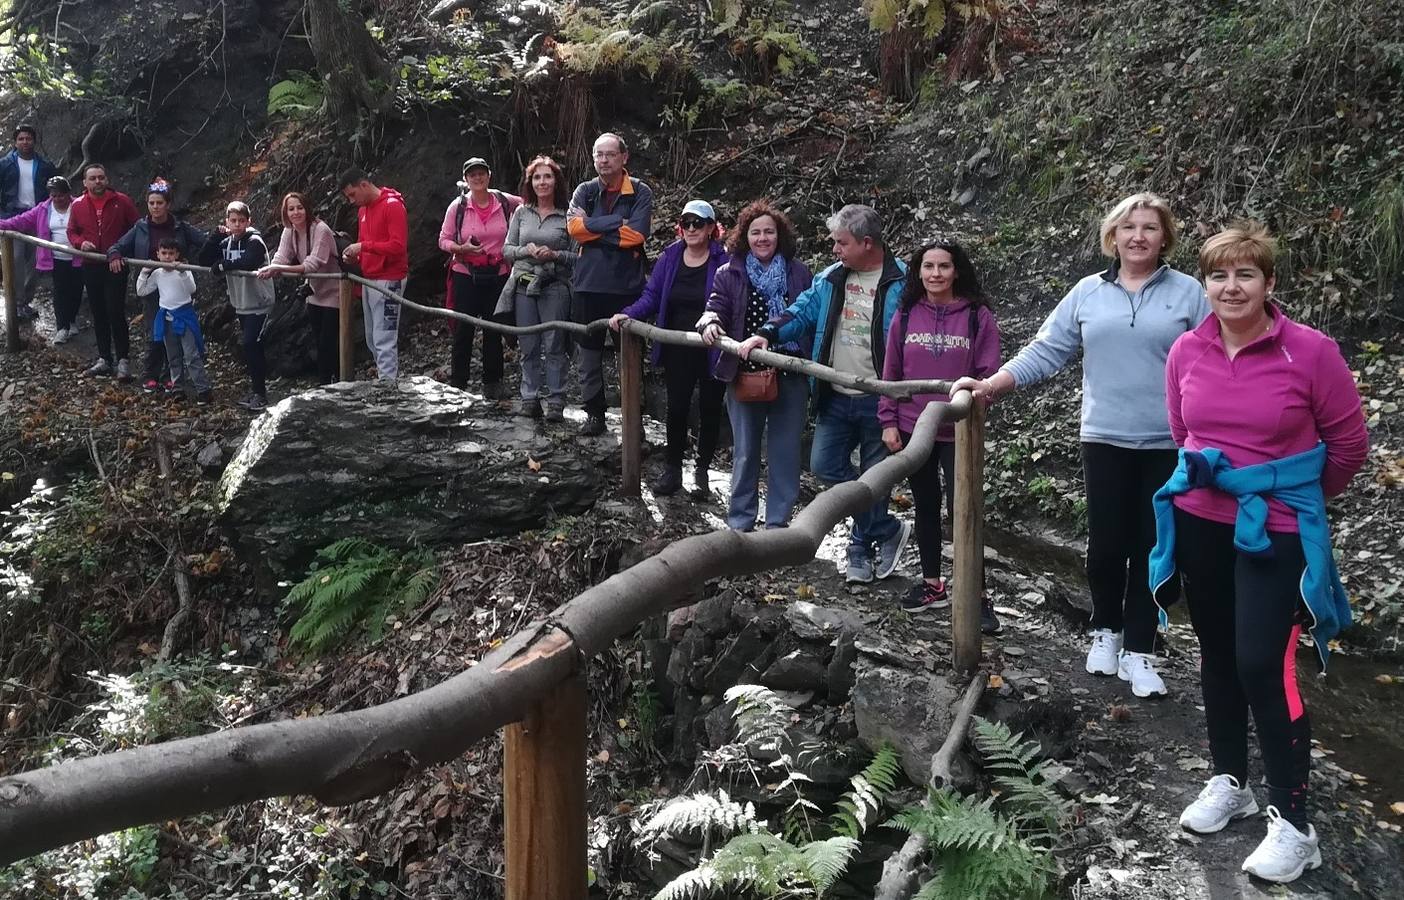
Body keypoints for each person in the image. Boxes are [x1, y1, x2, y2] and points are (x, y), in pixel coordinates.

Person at [1148, 222, 1367, 883]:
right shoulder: (1187, 349)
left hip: (1277, 532)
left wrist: (1283, 494)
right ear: (1205, 284)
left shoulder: (1312, 352)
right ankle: (1230, 782)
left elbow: (1348, 448)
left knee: (1261, 664)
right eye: (1218, 274)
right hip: (1199, 521)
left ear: (1269, 284)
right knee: (1216, 655)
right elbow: (1183, 434)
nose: (1231, 285)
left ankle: (1296, 826)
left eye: (1245, 274)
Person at [953, 192, 1209, 698]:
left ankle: (1141, 649)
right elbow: (1048, 349)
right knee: (1107, 542)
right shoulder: (1088, 292)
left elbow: (1214, 361)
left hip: (1171, 442)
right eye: (1129, 227)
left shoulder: (1190, 294)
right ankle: (1105, 631)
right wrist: (992, 385)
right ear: (1112, 236)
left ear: (1165, 237)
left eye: (1150, 228)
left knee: (1155, 548)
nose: (1139, 236)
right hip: (1105, 437)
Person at [741, 204, 910, 585]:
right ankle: (886, 529)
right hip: (834, 393)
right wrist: (766, 332)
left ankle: (857, 551)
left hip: (880, 398)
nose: (834, 248)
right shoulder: (832, 278)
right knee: (824, 465)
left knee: (873, 478)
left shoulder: (903, 283)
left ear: (867, 243)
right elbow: (801, 313)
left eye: (841, 242)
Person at [878, 239, 1002, 633]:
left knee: (964, 511)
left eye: (943, 266)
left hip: (961, 429)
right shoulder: (906, 312)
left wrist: (976, 402)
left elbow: (988, 371)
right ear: (918, 272)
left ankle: (978, 596)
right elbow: (891, 371)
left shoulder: (977, 316)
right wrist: (889, 419)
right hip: (916, 425)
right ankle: (932, 583)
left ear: (956, 270)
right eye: (928, 267)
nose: (935, 274)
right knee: (925, 505)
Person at [697, 200, 812, 531]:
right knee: (745, 451)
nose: (763, 238)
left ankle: (778, 525)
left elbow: (809, 313)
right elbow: (715, 305)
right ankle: (740, 523)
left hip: (790, 371)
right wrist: (708, 322)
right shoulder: (730, 271)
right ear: (745, 236)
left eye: (769, 232)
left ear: (780, 236)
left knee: (785, 452)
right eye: (756, 232)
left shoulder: (798, 271)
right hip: (744, 372)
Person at [610, 200, 728, 495]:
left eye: (698, 223)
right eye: (686, 223)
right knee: (676, 408)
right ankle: (673, 468)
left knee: (711, 408)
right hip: (678, 346)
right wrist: (630, 313)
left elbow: (730, 300)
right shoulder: (671, 257)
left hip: (714, 345)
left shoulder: (723, 260)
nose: (690, 229)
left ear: (711, 228)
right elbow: (652, 295)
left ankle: (702, 471)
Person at [568, 132, 654, 436]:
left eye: (609, 154)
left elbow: (637, 235)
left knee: (629, 356)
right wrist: (616, 223)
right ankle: (594, 414)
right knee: (588, 353)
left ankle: (635, 419)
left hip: (627, 288)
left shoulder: (640, 192)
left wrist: (592, 227)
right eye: (598, 155)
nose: (603, 160)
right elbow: (574, 229)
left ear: (624, 157)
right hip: (588, 285)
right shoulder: (585, 190)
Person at [108, 178, 210, 393]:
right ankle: (151, 374)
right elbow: (118, 245)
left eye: (160, 203)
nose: (155, 207)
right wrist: (115, 254)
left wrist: (223, 237)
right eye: (152, 203)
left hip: (177, 288)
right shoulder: (141, 227)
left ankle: (175, 377)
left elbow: (205, 242)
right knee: (156, 330)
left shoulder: (180, 227)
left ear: (168, 204)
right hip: (152, 286)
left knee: (178, 332)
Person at [497, 155, 575, 421]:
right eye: (537, 177)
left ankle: (556, 400)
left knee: (555, 345)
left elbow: (578, 257)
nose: (542, 182)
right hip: (523, 286)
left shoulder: (568, 215)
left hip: (554, 286)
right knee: (528, 344)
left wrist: (555, 255)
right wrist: (526, 250)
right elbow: (506, 250)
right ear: (530, 182)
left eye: (547, 176)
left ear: (556, 181)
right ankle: (529, 398)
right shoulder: (521, 212)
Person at [440, 157, 521, 397]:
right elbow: (443, 240)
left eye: (481, 173)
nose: (477, 177)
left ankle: (493, 382)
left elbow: (532, 204)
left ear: (489, 175)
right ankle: (458, 382)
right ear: (466, 179)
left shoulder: (505, 202)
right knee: (463, 329)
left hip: (498, 274)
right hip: (466, 274)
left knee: (493, 328)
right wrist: (461, 248)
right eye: (472, 174)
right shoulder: (458, 207)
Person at [258, 192, 342, 385]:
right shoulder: (290, 231)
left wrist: (278, 268)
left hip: (335, 291)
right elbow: (282, 256)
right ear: (285, 213)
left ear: (307, 209)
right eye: (291, 209)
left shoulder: (321, 229)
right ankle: (327, 382)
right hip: (314, 292)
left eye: (299, 208)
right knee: (318, 340)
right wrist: (272, 268)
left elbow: (312, 264)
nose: (296, 212)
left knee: (328, 340)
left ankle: (331, 382)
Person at [66, 163, 140, 380]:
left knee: (115, 310)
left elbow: (137, 228)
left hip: (116, 264)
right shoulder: (78, 205)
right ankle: (104, 358)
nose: (98, 181)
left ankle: (123, 360)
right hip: (91, 264)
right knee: (98, 311)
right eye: (93, 178)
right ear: (85, 182)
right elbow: (71, 231)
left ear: (106, 179)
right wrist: (81, 243)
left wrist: (122, 249)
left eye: (101, 177)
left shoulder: (122, 201)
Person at [199, 201, 275, 411]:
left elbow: (250, 260)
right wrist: (215, 236)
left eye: (241, 221)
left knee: (252, 344)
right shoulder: (227, 242)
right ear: (227, 222)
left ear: (248, 221)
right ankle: (256, 390)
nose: (237, 225)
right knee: (250, 347)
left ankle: (261, 393)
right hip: (241, 303)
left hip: (259, 303)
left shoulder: (255, 240)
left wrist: (224, 265)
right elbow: (205, 258)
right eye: (233, 221)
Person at [340, 169, 408, 380]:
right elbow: (368, 246)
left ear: (364, 185)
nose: (352, 201)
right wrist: (355, 257)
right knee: (372, 337)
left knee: (384, 337)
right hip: (369, 277)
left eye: (352, 195)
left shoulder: (392, 206)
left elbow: (398, 246)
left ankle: (388, 386)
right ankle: (385, 381)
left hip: (390, 278)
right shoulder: (363, 211)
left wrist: (363, 247)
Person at [0, 175, 81, 345]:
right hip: (56, 258)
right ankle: (62, 327)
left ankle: (72, 320)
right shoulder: (43, 209)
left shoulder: (79, 206)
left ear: (68, 194)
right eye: (54, 195)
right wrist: (2, 224)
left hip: (78, 257)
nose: (57, 198)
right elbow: (21, 221)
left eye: (61, 195)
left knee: (75, 290)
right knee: (59, 291)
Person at [136, 238, 211, 404]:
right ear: (158, 254)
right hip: (166, 317)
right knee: (173, 355)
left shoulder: (183, 270)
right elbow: (142, 291)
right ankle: (177, 387)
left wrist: (183, 272)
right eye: (164, 253)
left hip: (184, 316)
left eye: (171, 253)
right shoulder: (157, 274)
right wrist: (144, 272)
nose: (167, 257)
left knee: (191, 355)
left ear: (177, 255)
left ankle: (203, 389)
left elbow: (192, 289)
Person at [0, 124, 58, 320]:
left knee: (34, 262)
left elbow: (55, 190)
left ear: (34, 141)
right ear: (15, 142)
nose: (25, 142)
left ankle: (25, 301)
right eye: (21, 139)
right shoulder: (5, 164)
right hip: (12, 217)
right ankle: (15, 302)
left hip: (37, 216)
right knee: (15, 259)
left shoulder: (44, 165)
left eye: (28, 138)